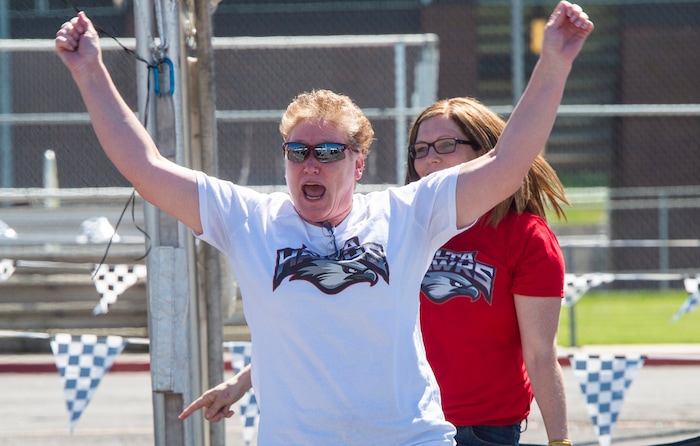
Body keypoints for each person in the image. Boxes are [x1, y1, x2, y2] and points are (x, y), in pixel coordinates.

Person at [55, 2, 592, 444]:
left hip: (411, 438)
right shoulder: (249, 219)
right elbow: (146, 169)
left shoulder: (407, 213)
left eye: (328, 150)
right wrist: (88, 71)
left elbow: (507, 163)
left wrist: (556, 61)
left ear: (358, 163)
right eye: (298, 150)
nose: (310, 163)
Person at [405, 97, 571, 446]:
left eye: (446, 145)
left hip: (483, 431)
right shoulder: (402, 225)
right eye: (419, 150)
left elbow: (541, 354)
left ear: (485, 153)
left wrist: (560, 440)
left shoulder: (525, 236)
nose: (430, 158)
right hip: (406, 420)